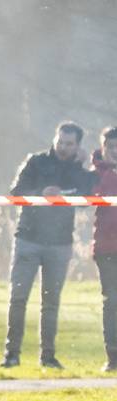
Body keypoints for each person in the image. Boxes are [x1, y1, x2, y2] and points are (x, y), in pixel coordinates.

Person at [0, 122, 97, 369]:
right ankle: (11, 354)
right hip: (28, 240)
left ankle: (48, 356)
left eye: (69, 144)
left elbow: (87, 198)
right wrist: (40, 193)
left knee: (51, 301)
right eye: (60, 142)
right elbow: (15, 192)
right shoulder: (35, 162)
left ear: (78, 146)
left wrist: (75, 176)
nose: (63, 148)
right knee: (18, 297)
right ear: (55, 139)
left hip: (60, 244)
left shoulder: (79, 171)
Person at [93, 127, 117, 372]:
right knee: (112, 301)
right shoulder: (96, 174)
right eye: (110, 147)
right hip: (107, 248)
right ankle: (113, 356)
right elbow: (88, 194)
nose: (116, 152)